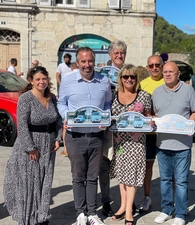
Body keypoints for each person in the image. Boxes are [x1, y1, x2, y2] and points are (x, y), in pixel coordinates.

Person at [57, 47, 112, 225]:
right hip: (75, 136)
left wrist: (106, 117)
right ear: (77, 62)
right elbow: (61, 102)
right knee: (78, 176)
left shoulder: (104, 80)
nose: (87, 65)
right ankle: (81, 213)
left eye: (90, 61)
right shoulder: (67, 80)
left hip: (96, 136)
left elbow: (108, 103)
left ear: (94, 61)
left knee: (92, 176)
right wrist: (67, 116)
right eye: (83, 61)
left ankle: (92, 214)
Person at [3, 66, 62, 225]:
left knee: (44, 181)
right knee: (30, 184)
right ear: (31, 81)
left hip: (48, 145)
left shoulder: (52, 98)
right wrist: (30, 148)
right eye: (38, 79)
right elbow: (21, 125)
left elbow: (58, 120)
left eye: (44, 78)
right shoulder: (26, 99)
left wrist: (57, 138)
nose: (42, 82)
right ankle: (29, 218)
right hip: (30, 146)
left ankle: (42, 216)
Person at [152, 62, 195, 225]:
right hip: (162, 144)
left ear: (178, 74)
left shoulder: (188, 90)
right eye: (165, 72)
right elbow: (153, 114)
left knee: (181, 181)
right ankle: (166, 209)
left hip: (182, 145)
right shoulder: (156, 92)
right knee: (164, 180)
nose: (167, 74)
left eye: (171, 72)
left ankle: (180, 213)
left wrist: (189, 125)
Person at [110, 64, 152, 225]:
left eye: (132, 77)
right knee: (122, 174)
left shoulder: (143, 96)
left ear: (136, 79)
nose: (129, 79)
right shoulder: (114, 95)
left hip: (136, 142)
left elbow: (148, 117)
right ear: (120, 79)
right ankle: (122, 206)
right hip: (119, 142)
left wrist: (151, 122)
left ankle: (129, 212)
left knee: (132, 176)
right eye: (125, 77)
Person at [98, 40, 128, 218]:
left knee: (124, 164)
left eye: (122, 53)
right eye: (116, 53)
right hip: (106, 127)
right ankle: (105, 201)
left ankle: (126, 203)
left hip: (124, 127)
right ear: (110, 55)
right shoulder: (101, 73)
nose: (119, 55)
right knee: (104, 164)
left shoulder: (129, 73)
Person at [139, 55, 165, 212]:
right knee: (148, 166)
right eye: (151, 65)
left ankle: (172, 199)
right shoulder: (142, 84)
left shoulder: (168, 81)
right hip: (148, 133)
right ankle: (146, 197)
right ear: (147, 68)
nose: (154, 68)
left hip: (165, 132)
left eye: (157, 65)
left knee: (169, 168)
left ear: (162, 65)